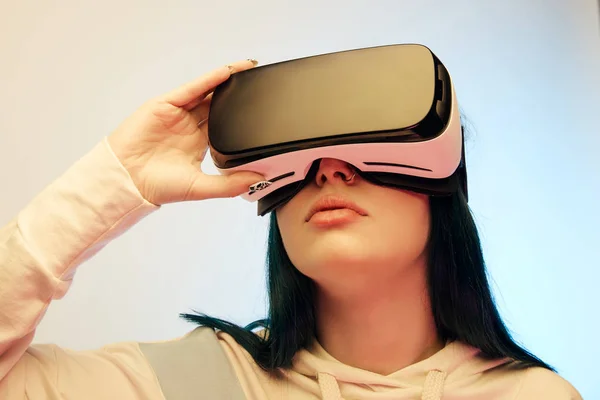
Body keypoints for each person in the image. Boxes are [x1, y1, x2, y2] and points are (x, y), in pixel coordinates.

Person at [0, 59, 582, 400]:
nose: (329, 169)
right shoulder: (193, 383)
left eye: (368, 144)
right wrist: (115, 181)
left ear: (442, 184)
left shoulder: (532, 397)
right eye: (299, 157)